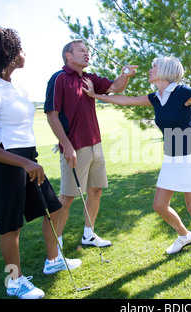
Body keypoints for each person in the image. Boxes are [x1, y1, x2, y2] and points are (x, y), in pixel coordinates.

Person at [83, 56, 191, 267]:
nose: (150, 70)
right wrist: (96, 96)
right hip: (171, 157)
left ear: (166, 71)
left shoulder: (183, 92)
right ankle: (185, 235)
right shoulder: (156, 97)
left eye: (154, 66)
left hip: (190, 157)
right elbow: (126, 99)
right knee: (159, 205)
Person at [0, 27, 81, 299]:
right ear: (6, 53)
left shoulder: (16, 86)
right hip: (4, 164)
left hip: (27, 160)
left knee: (53, 209)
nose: (24, 53)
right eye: (19, 49)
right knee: (11, 227)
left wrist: (30, 160)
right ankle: (14, 280)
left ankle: (53, 259)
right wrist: (24, 164)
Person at [44, 40, 137, 251]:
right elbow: (52, 116)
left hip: (96, 144)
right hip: (75, 148)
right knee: (67, 198)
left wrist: (125, 74)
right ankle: (55, 248)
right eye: (81, 51)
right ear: (68, 55)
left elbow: (115, 86)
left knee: (95, 191)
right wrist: (66, 146)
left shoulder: (89, 78)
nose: (87, 54)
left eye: (88, 51)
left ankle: (88, 235)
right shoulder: (58, 79)